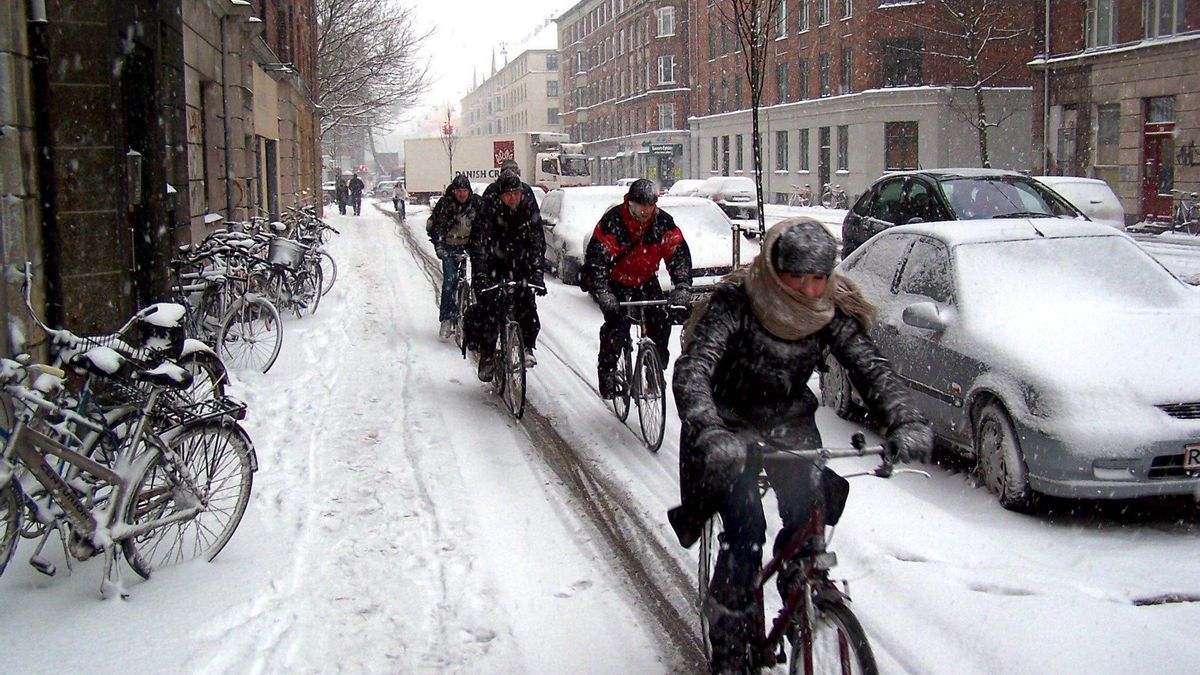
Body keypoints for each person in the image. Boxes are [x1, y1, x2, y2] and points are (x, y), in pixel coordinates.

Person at [667, 217, 933, 674]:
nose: (810, 291)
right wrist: (710, 430)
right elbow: (694, 369)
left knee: (811, 511)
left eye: (819, 279)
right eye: (797, 278)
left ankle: (801, 585)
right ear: (774, 271)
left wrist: (903, 417)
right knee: (746, 531)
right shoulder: (738, 303)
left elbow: (870, 366)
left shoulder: (828, 310)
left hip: (789, 423)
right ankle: (731, 647)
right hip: (726, 425)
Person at [583, 178, 692, 399]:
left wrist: (682, 285)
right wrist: (603, 291)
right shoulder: (613, 222)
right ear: (630, 203)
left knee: (660, 323)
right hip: (616, 281)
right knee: (617, 327)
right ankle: (608, 372)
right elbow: (597, 258)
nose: (645, 211)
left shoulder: (663, 223)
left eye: (650, 205)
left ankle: (654, 368)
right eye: (641, 205)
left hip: (645, 280)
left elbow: (677, 253)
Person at [466, 172, 546, 382]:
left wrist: (536, 272)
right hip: (493, 266)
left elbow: (537, 242)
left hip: (519, 266)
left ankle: (527, 346)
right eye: (508, 194)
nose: (514, 198)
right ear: (500, 195)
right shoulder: (488, 212)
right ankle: (488, 356)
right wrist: (481, 274)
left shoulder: (528, 211)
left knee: (527, 306)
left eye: (517, 193)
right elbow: (478, 245)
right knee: (490, 312)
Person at [427, 174, 482, 341]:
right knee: (450, 280)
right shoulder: (445, 205)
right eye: (459, 190)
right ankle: (446, 318)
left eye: (465, 190)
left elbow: (484, 225)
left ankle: (479, 319)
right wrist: (440, 246)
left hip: (471, 244)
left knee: (482, 278)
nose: (462, 194)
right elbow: (436, 227)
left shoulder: (476, 204)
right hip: (450, 245)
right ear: (454, 191)